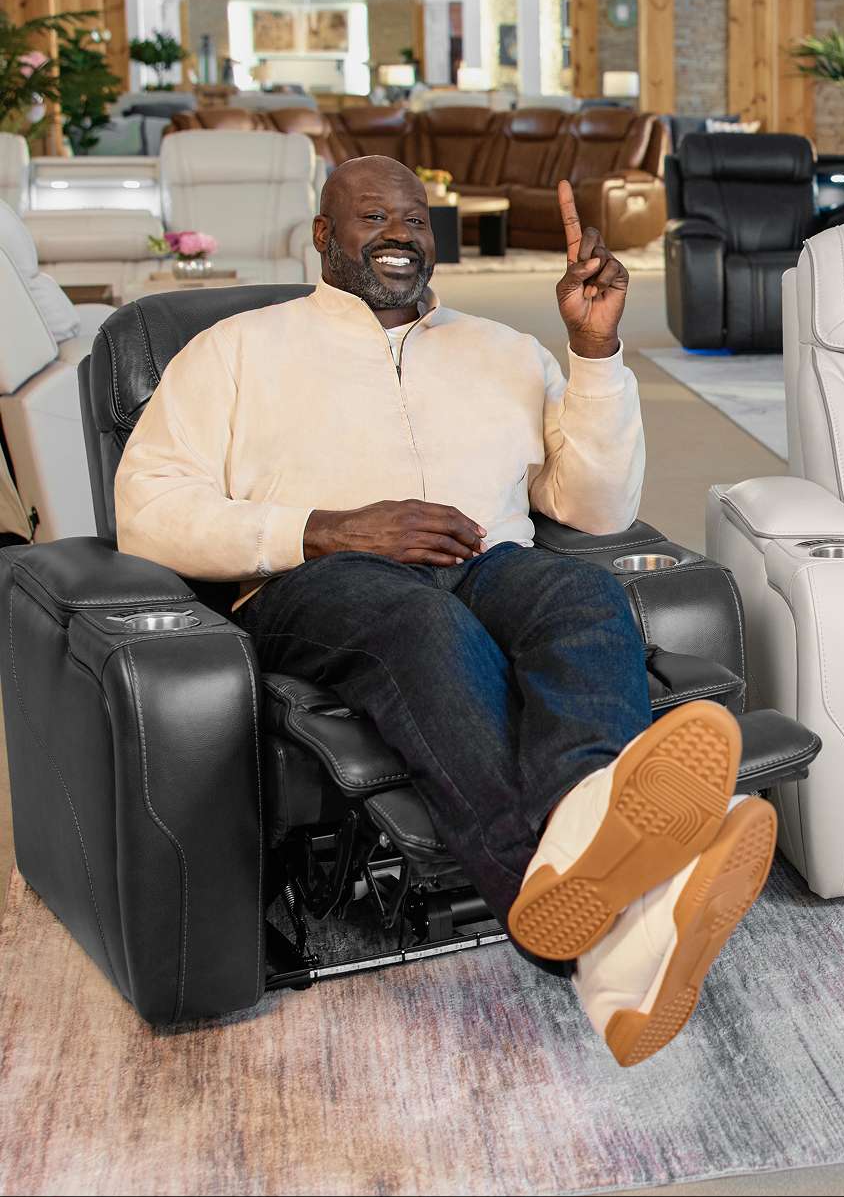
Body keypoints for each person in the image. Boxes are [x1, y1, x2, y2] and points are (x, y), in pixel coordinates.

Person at [113, 154, 774, 1067]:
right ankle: (579, 912)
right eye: (372, 215)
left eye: (415, 218)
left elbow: (597, 509)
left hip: (488, 565)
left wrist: (593, 353)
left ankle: (606, 898)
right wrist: (330, 529)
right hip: (312, 586)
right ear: (323, 237)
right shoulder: (238, 350)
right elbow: (144, 509)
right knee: (419, 622)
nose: (399, 233)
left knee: (582, 592)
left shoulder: (503, 350)